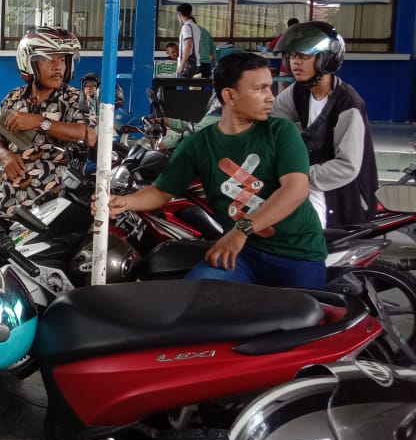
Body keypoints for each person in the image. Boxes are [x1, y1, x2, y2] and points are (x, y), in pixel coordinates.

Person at [106, 52, 327, 288]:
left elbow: (295, 190)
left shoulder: (281, 131)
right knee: (193, 297)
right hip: (241, 255)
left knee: (301, 312)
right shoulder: (198, 144)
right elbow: (162, 191)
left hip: (298, 256)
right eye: (260, 89)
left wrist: (241, 231)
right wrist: (125, 202)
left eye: (269, 88)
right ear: (229, 96)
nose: (271, 97)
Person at [270, 21, 377, 228]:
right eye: (291, 56)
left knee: (304, 234)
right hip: (307, 181)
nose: (295, 62)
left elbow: (347, 167)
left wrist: (298, 175)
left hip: (338, 193)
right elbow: (272, 123)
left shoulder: (348, 104)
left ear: (327, 59)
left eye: (304, 56)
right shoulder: (298, 91)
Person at [0, 28, 96, 215]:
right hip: (8, 199)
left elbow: (89, 135)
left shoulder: (74, 99)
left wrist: (39, 122)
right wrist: (4, 155)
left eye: (62, 59)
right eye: (48, 59)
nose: (58, 67)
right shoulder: (12, 98)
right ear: (29, 63)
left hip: (53, 204)